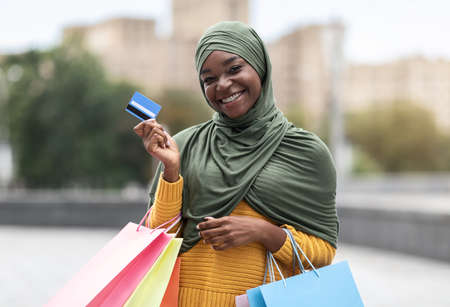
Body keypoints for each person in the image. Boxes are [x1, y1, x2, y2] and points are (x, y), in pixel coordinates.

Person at [133, 21, 339, 307]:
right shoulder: (185, 144)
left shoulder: (306, 152)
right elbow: (160, 240)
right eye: (209, 79)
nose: (223, 85)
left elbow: (323, 253)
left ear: (260, 66)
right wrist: (171, 170)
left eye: (234, 69)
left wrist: (262, 232)